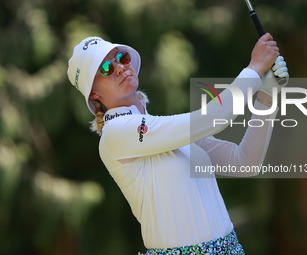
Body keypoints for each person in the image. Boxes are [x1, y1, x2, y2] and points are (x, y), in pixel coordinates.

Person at [67, 33, 289, 254]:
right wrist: (255, 67)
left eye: (122, 57)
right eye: (105, 68)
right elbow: (213, 117)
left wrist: (267, 95)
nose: (119, 68)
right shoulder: (115, 132)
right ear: (94, 94)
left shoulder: (168, 132)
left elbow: (244, 162)